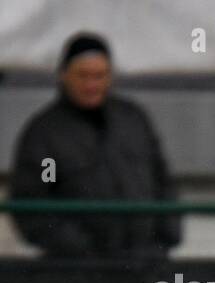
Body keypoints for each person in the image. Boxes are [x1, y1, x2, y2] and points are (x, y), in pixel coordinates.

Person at [9, 32, 180, 258]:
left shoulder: (133, 120)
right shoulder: (45, 135)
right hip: (77, 271)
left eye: (99, 76)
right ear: (64, 76)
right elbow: (33, 204)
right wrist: (76, 248)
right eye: (83, 76)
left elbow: (162, 180)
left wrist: (166, 236)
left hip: (145, 263)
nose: (91, 85)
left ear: (110, 77)